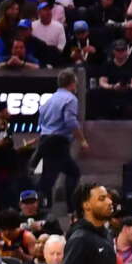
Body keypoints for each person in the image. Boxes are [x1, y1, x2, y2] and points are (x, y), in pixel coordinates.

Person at [32, 74, 85, 207]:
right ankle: (44, 207)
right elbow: (70, 121)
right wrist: (82, 140)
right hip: (58, 142)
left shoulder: (49, 100)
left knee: (68, 172)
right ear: (72, 83)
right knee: (49, 179)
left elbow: (41, 122)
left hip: (46, 141)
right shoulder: (70, 99)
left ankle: (50, 206)